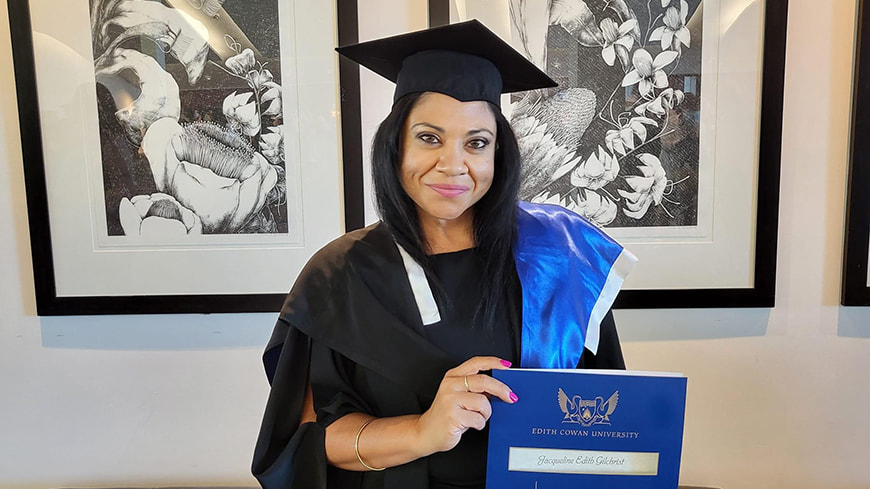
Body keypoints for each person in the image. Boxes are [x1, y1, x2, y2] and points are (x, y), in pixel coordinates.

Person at [252, 20, 636, 489]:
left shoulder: (559, 258)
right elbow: (310, 440)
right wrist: (421, 432)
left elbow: (610, 424)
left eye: (477, 143)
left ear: (499, 155)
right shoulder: (338, 273)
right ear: (395, 146)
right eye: (429, 138)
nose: (453, 164)